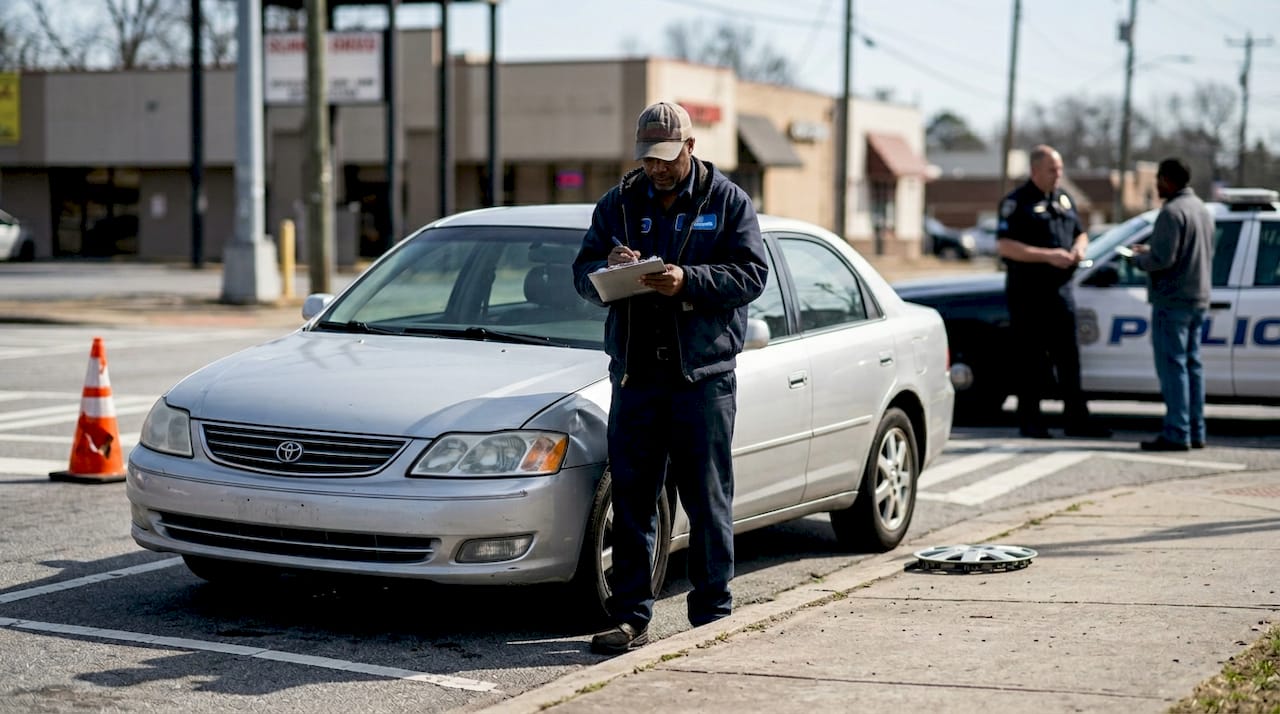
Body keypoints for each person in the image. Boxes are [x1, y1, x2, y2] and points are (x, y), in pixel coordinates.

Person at [572, 101, 768, 654]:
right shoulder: (618, 203)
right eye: (647, 158)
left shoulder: (727, 200)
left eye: (665, 157)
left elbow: (752, 274)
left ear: (690, 147)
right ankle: (630, 617)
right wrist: (607, 269)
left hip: (702, 379)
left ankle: (712, 615)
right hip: (636, 378)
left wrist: (688, 281)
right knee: (634, 500)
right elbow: (582, 273)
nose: (656, 168)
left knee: (707, 500)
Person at [996, 144, 1111, 439]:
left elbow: (1080, 232)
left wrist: (1079, 249)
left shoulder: (1063, 198)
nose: (1058, 174)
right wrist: (1048, 256)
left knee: (1069, 359)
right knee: (1031, 360)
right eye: (1052, 169)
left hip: (1061, 293)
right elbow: (1005, 246)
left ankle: (1076, 420)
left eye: (1059, 169)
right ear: (1035, 170)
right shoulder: (1016, 203)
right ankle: (1031, 421)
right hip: (1028, 294)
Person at [1128, 158, 1214, 451]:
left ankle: (1177, 432)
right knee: (1192, 365)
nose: (1156, 186)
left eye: (1159, 180)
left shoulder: (1171, 212)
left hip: (1173, 299)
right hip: (1197, 297)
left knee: (1173, 367)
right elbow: (1188, 251)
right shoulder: (1201, 209)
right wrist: (1152, 250)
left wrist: (1138, 259)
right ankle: (1196, 430)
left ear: (1167, 180)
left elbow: (1163, 259)